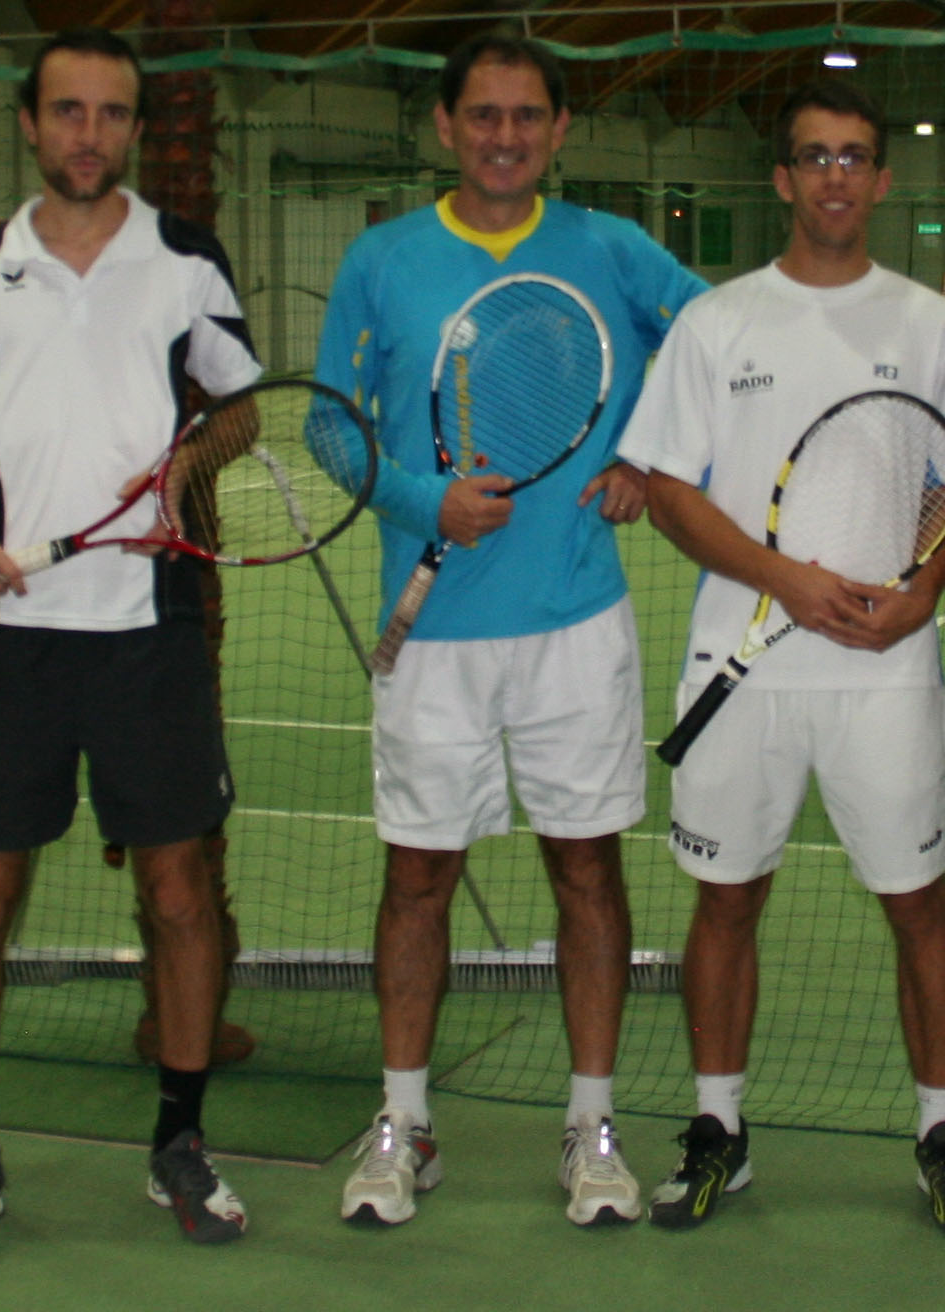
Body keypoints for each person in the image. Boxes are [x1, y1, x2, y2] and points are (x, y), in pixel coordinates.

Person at [0, 28, 260, 1266]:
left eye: (112, 113)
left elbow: (241, 406)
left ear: (134, 130)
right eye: (68, 111)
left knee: (180, 890)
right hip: (11, 643)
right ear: (30, 126)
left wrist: (185, 470)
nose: (90, 133)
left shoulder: (185, 260)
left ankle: (181, 1142)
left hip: (149, 634)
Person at [312, 31, 706, 1229]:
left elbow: (718, 345)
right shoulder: (381, 260)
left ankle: (590, 1125)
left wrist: (649, 452)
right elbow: (334, 427)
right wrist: (425, 500)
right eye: (482, 115)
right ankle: (404, 1122)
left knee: (587, 870)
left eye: (527, 116)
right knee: (417, 878)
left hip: (575, 625)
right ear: (443, 126)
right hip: (430, 636)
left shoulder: (613, 248)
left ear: (558, 129)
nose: (503, 136)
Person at [615, 79, 945, 1237]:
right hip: (742, 670)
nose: (835, 175)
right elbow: (669, 489)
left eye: (856, 157)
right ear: (783, 179)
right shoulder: (716, 323)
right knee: (726, 902)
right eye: (815, 157)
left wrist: (924, 594)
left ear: (882, 181)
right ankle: (719, 1126)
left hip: (885, 672)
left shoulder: (937, 329)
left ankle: (943, 1133)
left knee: (918, 904)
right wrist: (785, 581)